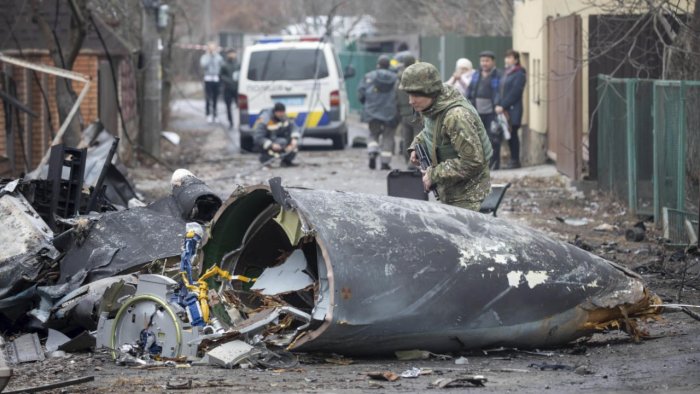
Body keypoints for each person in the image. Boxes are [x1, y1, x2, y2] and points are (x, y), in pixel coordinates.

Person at [400, 62, 492, 211]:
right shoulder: (434, 107)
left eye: (416, 95)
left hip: (469, 198)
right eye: (409, 95)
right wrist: (417, 144)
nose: (411, 101)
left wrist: (433, 175)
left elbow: (472, 162)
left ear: (430, 91)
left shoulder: (456, 116)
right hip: (452, 193)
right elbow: (433, 130)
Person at [358, 55, 399, 170]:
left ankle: (372, 151)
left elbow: (361, 93)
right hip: (390, 112)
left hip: (372, 111)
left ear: (378, 65)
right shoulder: (395, 79)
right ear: (388, 66)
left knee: (373, 133)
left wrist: (366, 104)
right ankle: (385, 162)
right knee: (388, 136)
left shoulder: (368, 76)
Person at [466, 50, 502, 169]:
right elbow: (470, 90)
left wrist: (498, 104)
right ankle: (482, 163)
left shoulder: (498, 75)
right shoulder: (477, 74)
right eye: (482, 61)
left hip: (492, 112)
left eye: (487, 61)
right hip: (477, 112)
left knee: (493, 138)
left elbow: (500, 93)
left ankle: (494, 163)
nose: (484, 63)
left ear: (492, 62)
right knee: (478, 138)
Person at [496, 49, 526, 169]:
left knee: (513, 135)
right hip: (503, 109)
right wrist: (498, 104)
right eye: (506, 57)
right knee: (508, 135)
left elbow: (515, 92)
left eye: (510, 57)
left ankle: (515, 160)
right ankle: (511, 159)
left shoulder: (520, 73)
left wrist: (503, 105)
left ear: (516, 59)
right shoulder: (506, 72)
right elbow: (500, 90)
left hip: (513, 109)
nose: (507, 60)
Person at [395, 54, 423, 167]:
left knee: (406, 138)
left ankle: (407, 161)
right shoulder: (417, 77)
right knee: (418, 138)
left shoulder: (398, 79)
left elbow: (395, 96)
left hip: (404, 113)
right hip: (416, 112)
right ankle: (414, 163)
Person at [253, 102, 300, 167]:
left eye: (283, 112)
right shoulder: (264, 119)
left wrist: (294, 139)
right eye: (280, 113)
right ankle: (265, 160)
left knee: (294, 144)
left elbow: (294, 127)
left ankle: (286, 162)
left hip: (280, 140)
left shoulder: (284, 117)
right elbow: (258, 137)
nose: (282, 114)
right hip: (268, 142)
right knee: (281, 142)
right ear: (275, 112)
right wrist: (271, 145)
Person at [200, 42, 224, 123]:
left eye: (213, 48)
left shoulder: (219, 57)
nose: (212, 50)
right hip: (208, 78)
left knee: (215, 98)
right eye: (210, 48)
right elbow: (203, 65)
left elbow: (221, 66)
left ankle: (215, 114)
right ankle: (208, 114)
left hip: (216, 78)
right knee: (208, 97)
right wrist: (210, 57)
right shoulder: (205, 57)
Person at [219, 49, 240, 130]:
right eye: (230, 53)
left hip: (237, 89)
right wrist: (228, 81)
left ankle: (240, 122)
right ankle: (230, 122)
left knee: (239, 107)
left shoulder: (238, 64)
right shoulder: (224, 65)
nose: (232, 55)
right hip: (227, 89)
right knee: (228, 107)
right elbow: (221, 76)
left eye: (233, 53)